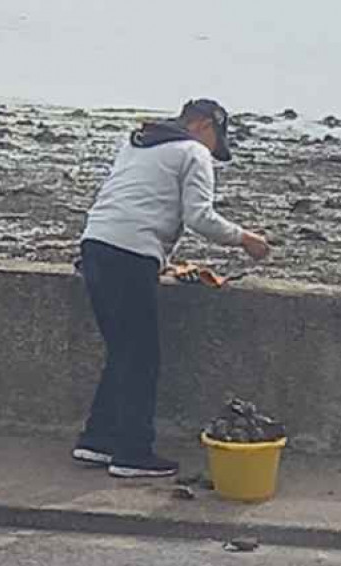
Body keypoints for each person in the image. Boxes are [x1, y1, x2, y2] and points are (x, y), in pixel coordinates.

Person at [74, 99, 270, 478]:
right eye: (215, 138)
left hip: (95, 244)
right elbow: (199, 216)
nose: (214, 150)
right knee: (142, 357)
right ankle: (132, 453)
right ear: (201, 125)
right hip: (130, 255)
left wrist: (161, 259)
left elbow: (133, 201)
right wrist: (246, 239)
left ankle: (96, 441)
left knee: (122, 351)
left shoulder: (137, 142)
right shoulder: (193, 151)